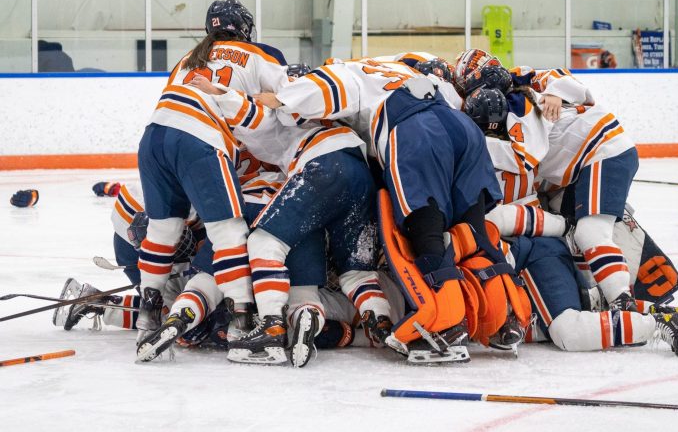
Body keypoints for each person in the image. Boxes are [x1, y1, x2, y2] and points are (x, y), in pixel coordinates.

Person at [250, 59, 515, 363]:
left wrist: (283, 99)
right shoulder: (404, 68)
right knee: (471, 233)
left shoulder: (347, 68)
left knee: (424, 230)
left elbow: (332, 88)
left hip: (414, 130)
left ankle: (447, 328)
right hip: (463, 128)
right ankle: (503, 319)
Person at [190, 71, 391, 368]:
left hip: (323, 166)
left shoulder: (281, 107)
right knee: (357, 274)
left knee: (263, 241)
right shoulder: (340, 111)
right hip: (362, 175)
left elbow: (248, 111)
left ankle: (271, 327)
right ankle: (384, 329)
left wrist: (216, 91)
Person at [134, 0, 289, 347]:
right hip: (199, 139)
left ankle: (147, 312)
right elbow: (290, 93)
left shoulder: (187, 60)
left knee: (163, 228)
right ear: (245, 29)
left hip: (154, 136)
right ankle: (241, 316)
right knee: (229, 230)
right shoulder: (257, 55)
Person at [455, 49, 640, 313]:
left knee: (590, 233)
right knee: (574, 233)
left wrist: (469, 144)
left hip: (601, 152)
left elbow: (524, 158)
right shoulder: (518, 81)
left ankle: (623, 302)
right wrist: (556, 92)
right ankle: (597, 292)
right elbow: (561, 78)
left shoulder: (518, 103)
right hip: (585, 163)